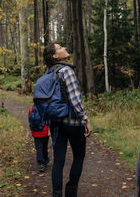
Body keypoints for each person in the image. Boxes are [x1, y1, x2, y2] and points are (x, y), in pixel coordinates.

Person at [43, 43, 92, 197]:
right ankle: (71, 192)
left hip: (56, 124)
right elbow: (75, 100)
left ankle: (56, 194)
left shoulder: (48, 72)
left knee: (58, 161)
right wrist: (85, 119)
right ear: (55, 56)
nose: (64, 47)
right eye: (60, 47)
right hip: (73, 123)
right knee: (78, 156)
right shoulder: (67, 71)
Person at [28, 107, 50, 173]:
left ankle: (41, 163)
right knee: (44, 146)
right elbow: (48, 120)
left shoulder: (31, 109)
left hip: (35, 132)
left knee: (39, 148)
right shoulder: (45, 108)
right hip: (44, 131)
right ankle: (45, 159)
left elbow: (30, 119)